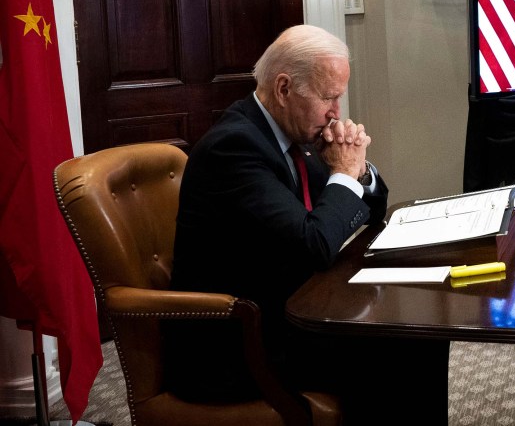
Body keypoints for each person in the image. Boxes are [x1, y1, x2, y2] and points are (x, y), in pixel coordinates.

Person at [168, 24, 448, 424]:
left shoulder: (292, 133)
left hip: (290, 311)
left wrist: (357, 171)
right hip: (237, 343)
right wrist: (345, 174)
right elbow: (314, 242)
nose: (337, 112)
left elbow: (372, 206)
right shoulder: (235, 147)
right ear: (284, 89)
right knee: (404, 346)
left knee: (418, 334)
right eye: (328, 97)